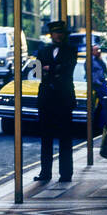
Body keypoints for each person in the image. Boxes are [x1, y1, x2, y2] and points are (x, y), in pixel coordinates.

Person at [34, 20, 76, 183]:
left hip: (64, 99)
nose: (58, 35)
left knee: (65, 138)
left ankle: (66, 173)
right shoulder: (43, 50)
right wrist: (53, 69)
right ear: (51, 35)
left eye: (61, 33)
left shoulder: (70, 50)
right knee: (46, 138)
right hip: (46, 100)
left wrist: (48, 69)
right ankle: (46, 172)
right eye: (56, 33)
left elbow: (67, 68)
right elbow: (37, 72)